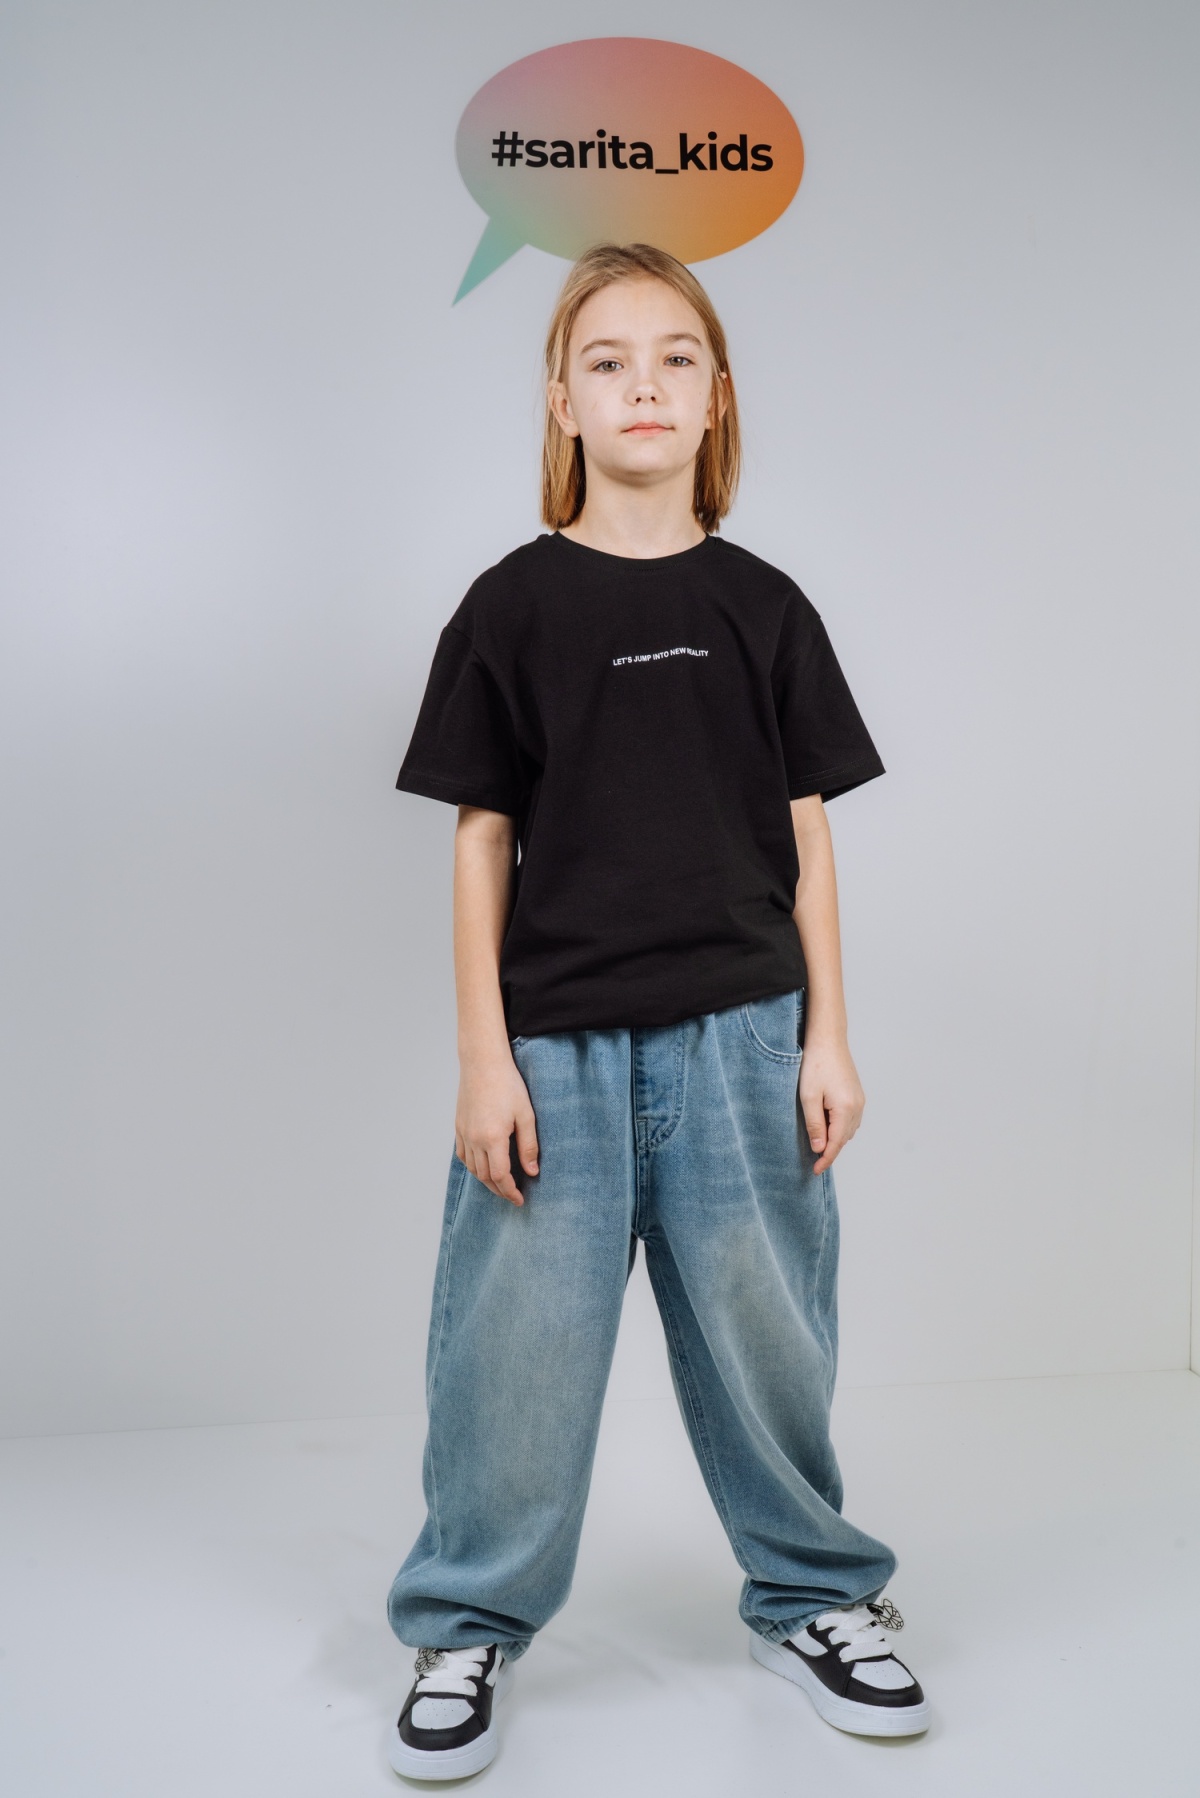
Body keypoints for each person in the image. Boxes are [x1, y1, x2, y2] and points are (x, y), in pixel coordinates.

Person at [385, 242, 929, 1782]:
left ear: (717, 396)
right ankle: (467, 1620)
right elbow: (480, 837)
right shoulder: (511, 607)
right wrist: (484, 1059)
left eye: (675, 357)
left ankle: (815, 1593)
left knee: (771, 1340)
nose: (644, 384)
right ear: (562, 399)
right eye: (608, 360)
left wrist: (829, 1034)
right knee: (515, 1356)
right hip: (552, 1051)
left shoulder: (765, 606)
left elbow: (807, 831)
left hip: (745, 1038)